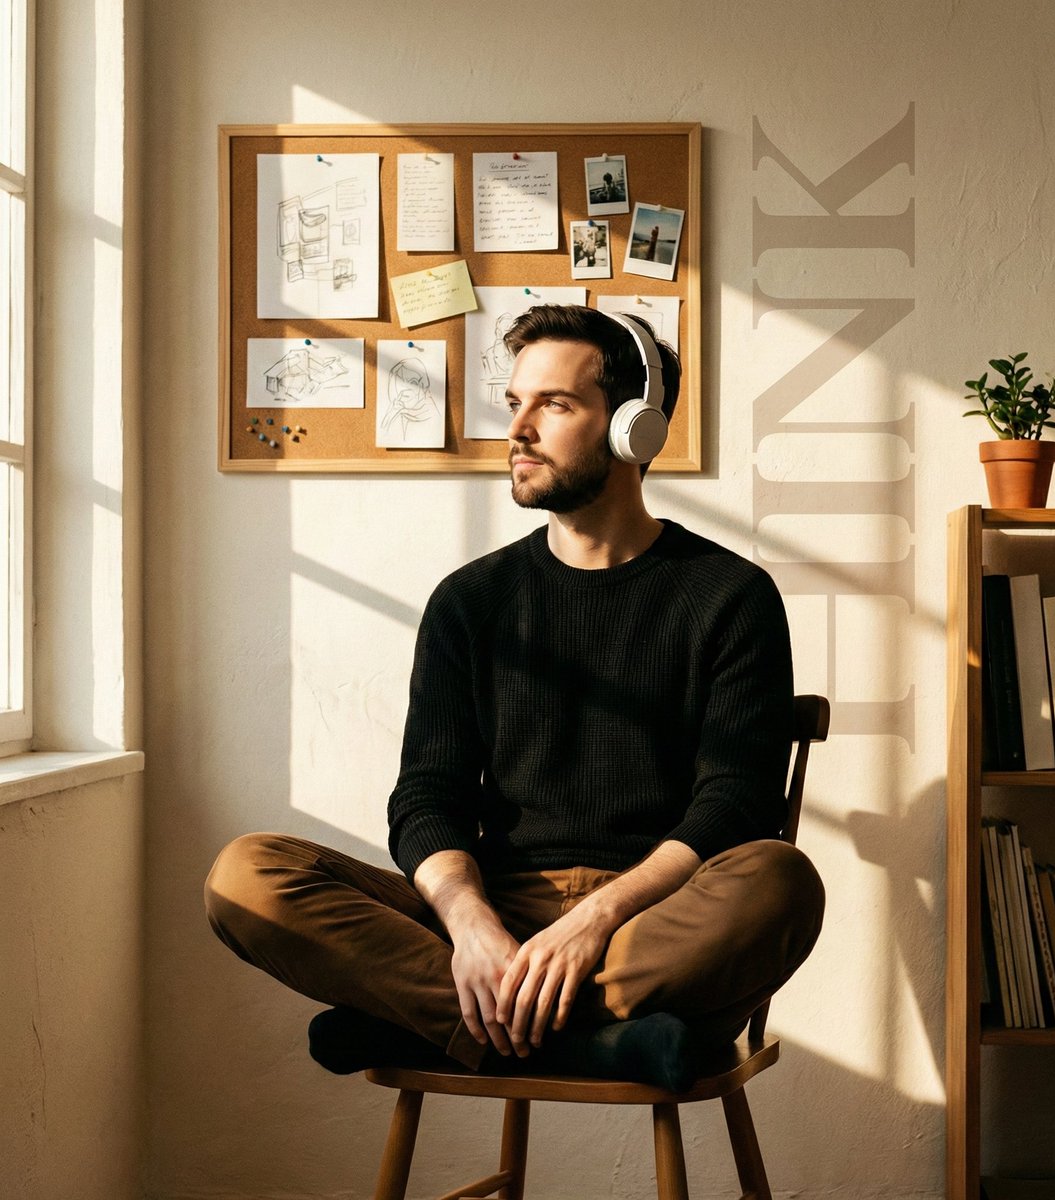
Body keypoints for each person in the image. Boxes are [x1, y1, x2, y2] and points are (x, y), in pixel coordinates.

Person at [204, 305, 824, 1092]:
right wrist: (469, 927)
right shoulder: (471, 600)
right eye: (515, 404)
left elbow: (735, 803)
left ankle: (447, 1024)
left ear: (636, 427)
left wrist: (593, 923)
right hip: (496, 912)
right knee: (246, 875)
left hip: (648, 918)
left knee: (781, 880)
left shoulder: (729, 595)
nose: (520, 429)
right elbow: (430, 796)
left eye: (555, 405)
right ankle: (589, 1036)